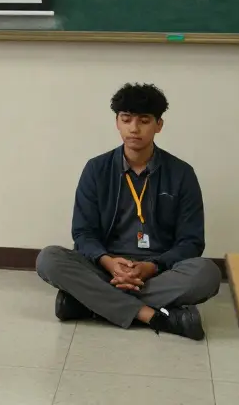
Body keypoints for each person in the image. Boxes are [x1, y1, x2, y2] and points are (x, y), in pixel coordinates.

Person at [36, 83, 221, 341]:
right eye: (127, 119)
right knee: (49, 258)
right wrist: (108, 262)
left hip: (159, 270)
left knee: (208, 274)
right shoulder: (96, 169)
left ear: (159, 125)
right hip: (105, 267)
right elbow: (83, 233)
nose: (134, 128)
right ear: (117, 123)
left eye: (144, 121)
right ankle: (152, 315)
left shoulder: (182, 174)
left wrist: (151, 267)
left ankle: (88, 303)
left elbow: (191, 241)